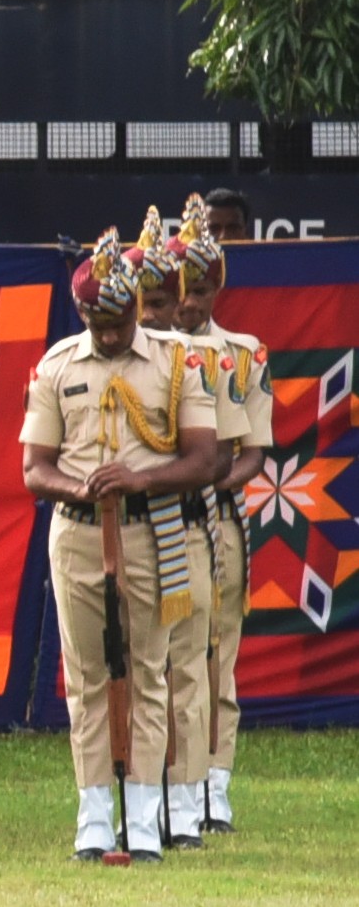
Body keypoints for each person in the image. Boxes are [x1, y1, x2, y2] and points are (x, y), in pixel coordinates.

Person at [21, 232, 217, 861]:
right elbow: (34, 468)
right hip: (78, 531)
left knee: (149, 672)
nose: (109, 335)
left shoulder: (178, 361)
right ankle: (94, 819)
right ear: (81, 313)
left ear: (137, 306)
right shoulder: (56, 366)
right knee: (87, 678)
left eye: (119, 322)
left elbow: (204, 458)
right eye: (97, 324)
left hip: (151, 528)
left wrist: (140, 479)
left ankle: (144, 817)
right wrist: (79, 486)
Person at [132, 216, 230, 849]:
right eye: (142, 302)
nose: (152, 315)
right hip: (120, 532)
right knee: (133, 671)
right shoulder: (93, 364)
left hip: (187, 525)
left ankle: (188, 800)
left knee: (189, 669)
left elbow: (220, 456)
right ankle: (135, 799)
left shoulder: (203, 362)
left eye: (162, 302)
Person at [172, 195, 268, 830]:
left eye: (201, 290)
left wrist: (206, 488)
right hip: (152, 520)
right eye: (181, 290)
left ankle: (216, 783)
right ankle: (167, 779)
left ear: (217, 290)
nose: (189, 303)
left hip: (216, 521)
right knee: (160, 659)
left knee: (216, 655)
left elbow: (253, 453)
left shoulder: (244, 352)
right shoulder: (147, 354)